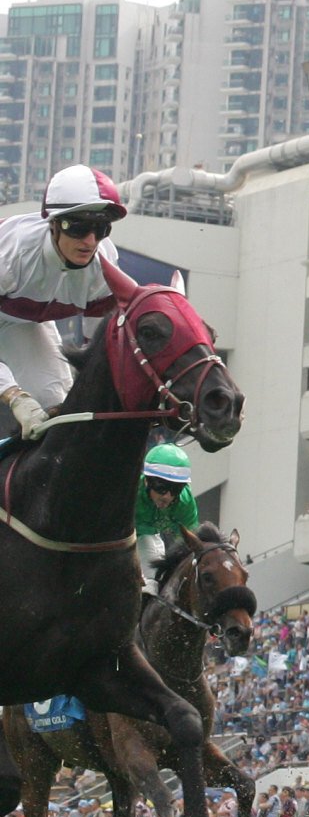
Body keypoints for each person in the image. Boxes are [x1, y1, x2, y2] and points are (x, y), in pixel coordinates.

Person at [0, 164, 126, 440]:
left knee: (56, 408)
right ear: (53, 224)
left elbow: (107, 345)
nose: (90, 241)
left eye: (100, 229)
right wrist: (14, 394)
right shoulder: (10, 256)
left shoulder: (103, 265)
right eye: (78, 227)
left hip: (21, 324)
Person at [134, 443, 199, 597]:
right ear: (146, 481)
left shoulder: (185, 503)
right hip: (115, 536)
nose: (167, 496)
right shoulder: (131, 490)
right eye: (162, 487)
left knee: (152, 582)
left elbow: (190, 546)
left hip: (146, 536)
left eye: (175, 489)